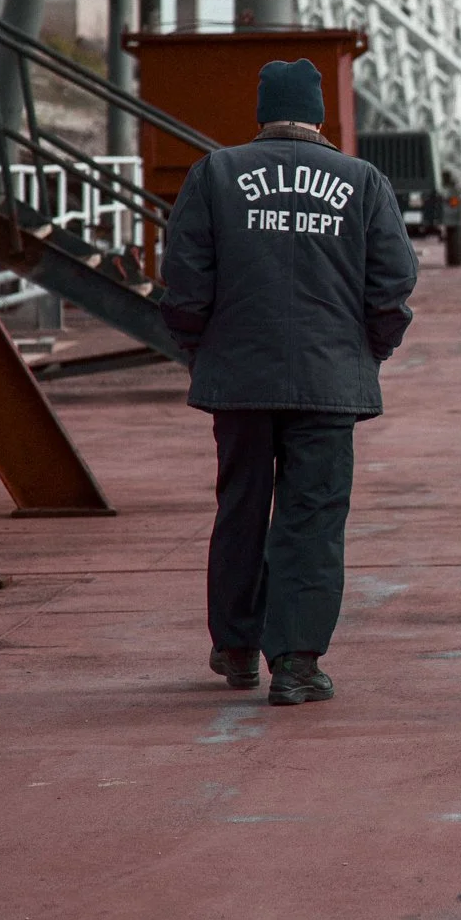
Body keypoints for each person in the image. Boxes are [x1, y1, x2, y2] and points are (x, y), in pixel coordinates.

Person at [161, 59, 418, 705]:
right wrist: (368, 351)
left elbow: (184, 280)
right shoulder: (363, 181)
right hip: (330, 381)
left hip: (239, 377)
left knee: (241, 505)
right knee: (314, 515)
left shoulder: (216, 173)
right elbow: (393, 284)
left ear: (262, 113)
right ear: (319, 115)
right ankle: (297, 664)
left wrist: (201, 349)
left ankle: (237, 647)